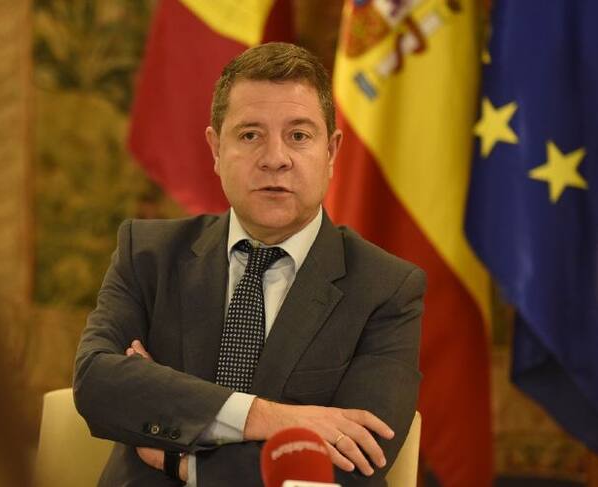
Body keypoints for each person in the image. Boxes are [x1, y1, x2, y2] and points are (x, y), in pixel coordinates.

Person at [74, 42, 425, 486]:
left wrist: (182, 461)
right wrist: (270, 417)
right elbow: (97, 384)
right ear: (215, 149)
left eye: (299, 136)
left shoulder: (386, 288)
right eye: (249, 135)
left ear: (332, 152)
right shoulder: (147, 254)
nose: (275, 158)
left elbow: (354, 463)